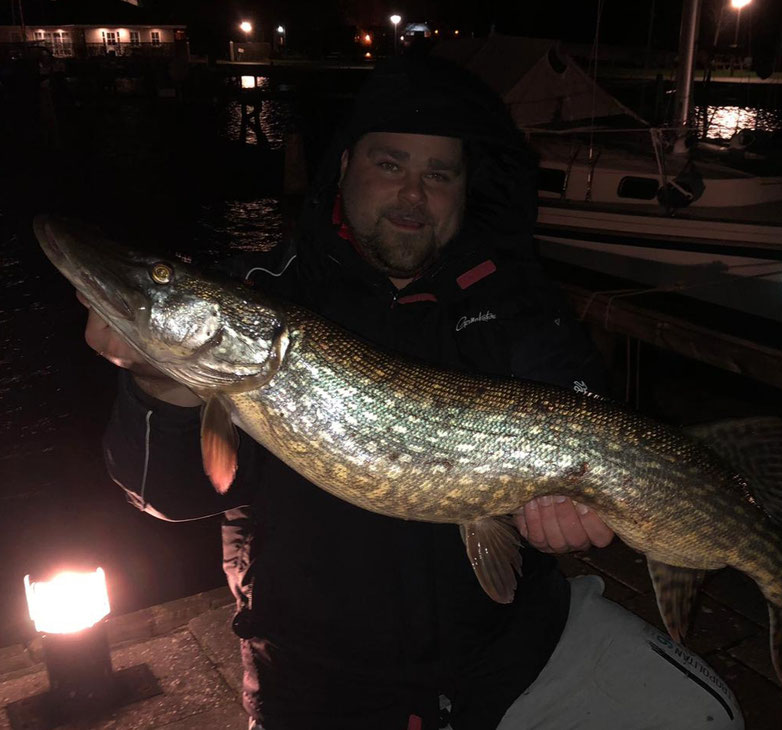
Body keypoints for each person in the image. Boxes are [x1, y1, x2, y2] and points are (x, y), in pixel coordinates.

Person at [80, 58, 744, 729]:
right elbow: (169, 494)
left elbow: (581, 420)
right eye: (391, 165)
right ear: (343, 167)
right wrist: (160, 384)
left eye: (439, 174)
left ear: (466, 188)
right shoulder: (270, 291)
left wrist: (566, 519)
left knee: (707, 715)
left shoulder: (518, 300)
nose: (413, 195)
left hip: (512, 656)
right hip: (321, 685)